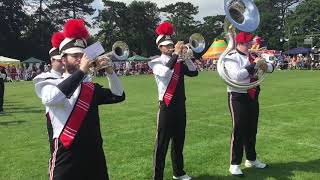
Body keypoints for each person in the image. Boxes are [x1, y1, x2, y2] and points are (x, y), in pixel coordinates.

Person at [35, 19, 125, 180]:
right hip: (66, 155)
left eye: (82, 55)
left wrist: (111, 72)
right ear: (63, 59)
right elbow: (51, 98)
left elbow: (119, 95)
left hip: (94, 153)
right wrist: (82, 71)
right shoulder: (49, 82)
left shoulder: (90, 87)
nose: (80, 59)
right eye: (75, 56)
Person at [148, 22, 198, 180]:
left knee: (178, 142)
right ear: (160, 47)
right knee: (161, 145)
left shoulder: (178, 62)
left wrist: (187, 57)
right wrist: (176, 54)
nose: (170, 47)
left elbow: (194, 73)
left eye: (172, 44)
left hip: (180, 106)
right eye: (167, 45)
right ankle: (158, 177)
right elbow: (164, 73)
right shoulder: (156, 62)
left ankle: (179, 172)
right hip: (166, 106)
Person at [224, 32, 274, 177]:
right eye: (249, 43)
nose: (252, 45)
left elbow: (270, 69)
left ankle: (251, 159)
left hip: (253, 95)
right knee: (239, 130)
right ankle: (234, 164)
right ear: (241, 43)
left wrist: (263, 63)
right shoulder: (231, 57)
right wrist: (253, 64)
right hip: (238, 96)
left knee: (252, 129)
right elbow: (237, 76)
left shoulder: (252, 55)